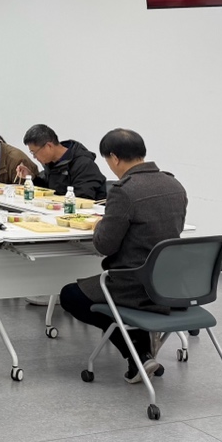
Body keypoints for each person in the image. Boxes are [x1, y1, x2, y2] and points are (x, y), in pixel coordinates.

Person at [58, 129, 187, 384]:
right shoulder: (175, 185)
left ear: (114, 158)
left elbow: (105, 245)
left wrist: (99, 225)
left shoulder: (124, 191)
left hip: (133, 283)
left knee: (70, 296)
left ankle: (136, 351)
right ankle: (140, 348)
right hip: (169, 283)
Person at [16, 124, 108, 200]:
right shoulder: (51, 163)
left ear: (48, 146)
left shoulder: (83, 164)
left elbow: (82, 199)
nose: (34, 157)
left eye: (34, 152)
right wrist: (32, 177)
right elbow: (47, 190)